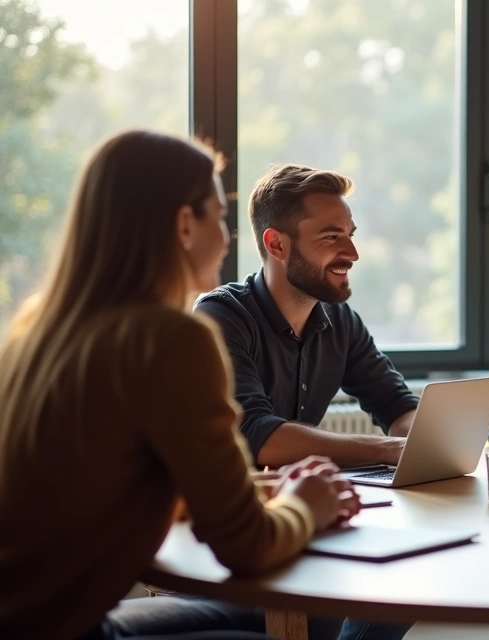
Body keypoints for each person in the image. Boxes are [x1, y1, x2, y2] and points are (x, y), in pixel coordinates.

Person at [0, 130, 358, 639]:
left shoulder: (36, 329)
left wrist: (263, 490)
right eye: (220, 217)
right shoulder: (171, 339)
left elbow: (116, 481)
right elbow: (247, 547)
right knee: (308, 618)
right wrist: (307, 505)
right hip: (67, 631)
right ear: (185, 225)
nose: (228, 238)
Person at [195, 164, 420, 470]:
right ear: (277, 245)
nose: (352, 253)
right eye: (331, 237)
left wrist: (422, 443)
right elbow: (257, 436)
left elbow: (397, 405)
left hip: (295, 494)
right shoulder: (221, 317)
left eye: (350, 235)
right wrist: (387, 449)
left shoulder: (340, 321)